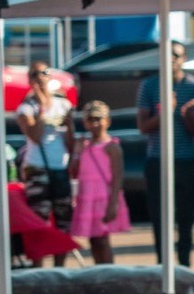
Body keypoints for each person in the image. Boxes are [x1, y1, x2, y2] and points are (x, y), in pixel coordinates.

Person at [136, 41, 194, 267]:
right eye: (167, 54)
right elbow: (143, 126)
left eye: (176, 55)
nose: (171, 58)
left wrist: (186, 115)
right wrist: (166, 111)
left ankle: (185, 266)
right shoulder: (149, 85)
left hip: (185, 160)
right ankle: (162, 266)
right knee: (159, 217)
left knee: (186, 217)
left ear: (184, 58)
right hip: (158, 160)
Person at [16, 59, 76, 266]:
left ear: (50, 76)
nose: (40, 78)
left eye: (44, 73)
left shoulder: (63, 104)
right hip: (37, 168)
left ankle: (60, 268)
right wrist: (42, 107)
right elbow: (34, 136)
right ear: (29, 80)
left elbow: (70, 142)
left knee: (63, 220)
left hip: (60, 168)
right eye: (34, 75)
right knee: (39, 221)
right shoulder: (26, 107)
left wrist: (68, 125)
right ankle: (38, 269)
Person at [70, 100, 130, 265]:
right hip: (88, 197)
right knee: (94, 240)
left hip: (104, 198)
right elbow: (74, 172)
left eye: (99, 119)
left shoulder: (112, 147)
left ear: (107, 121)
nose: (95, 123)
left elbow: (118, 176)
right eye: (90, 119)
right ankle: (99, 269)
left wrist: (114, 203)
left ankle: (109, 271)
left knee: (103, 240)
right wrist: (77, 152)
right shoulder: (84, 146)